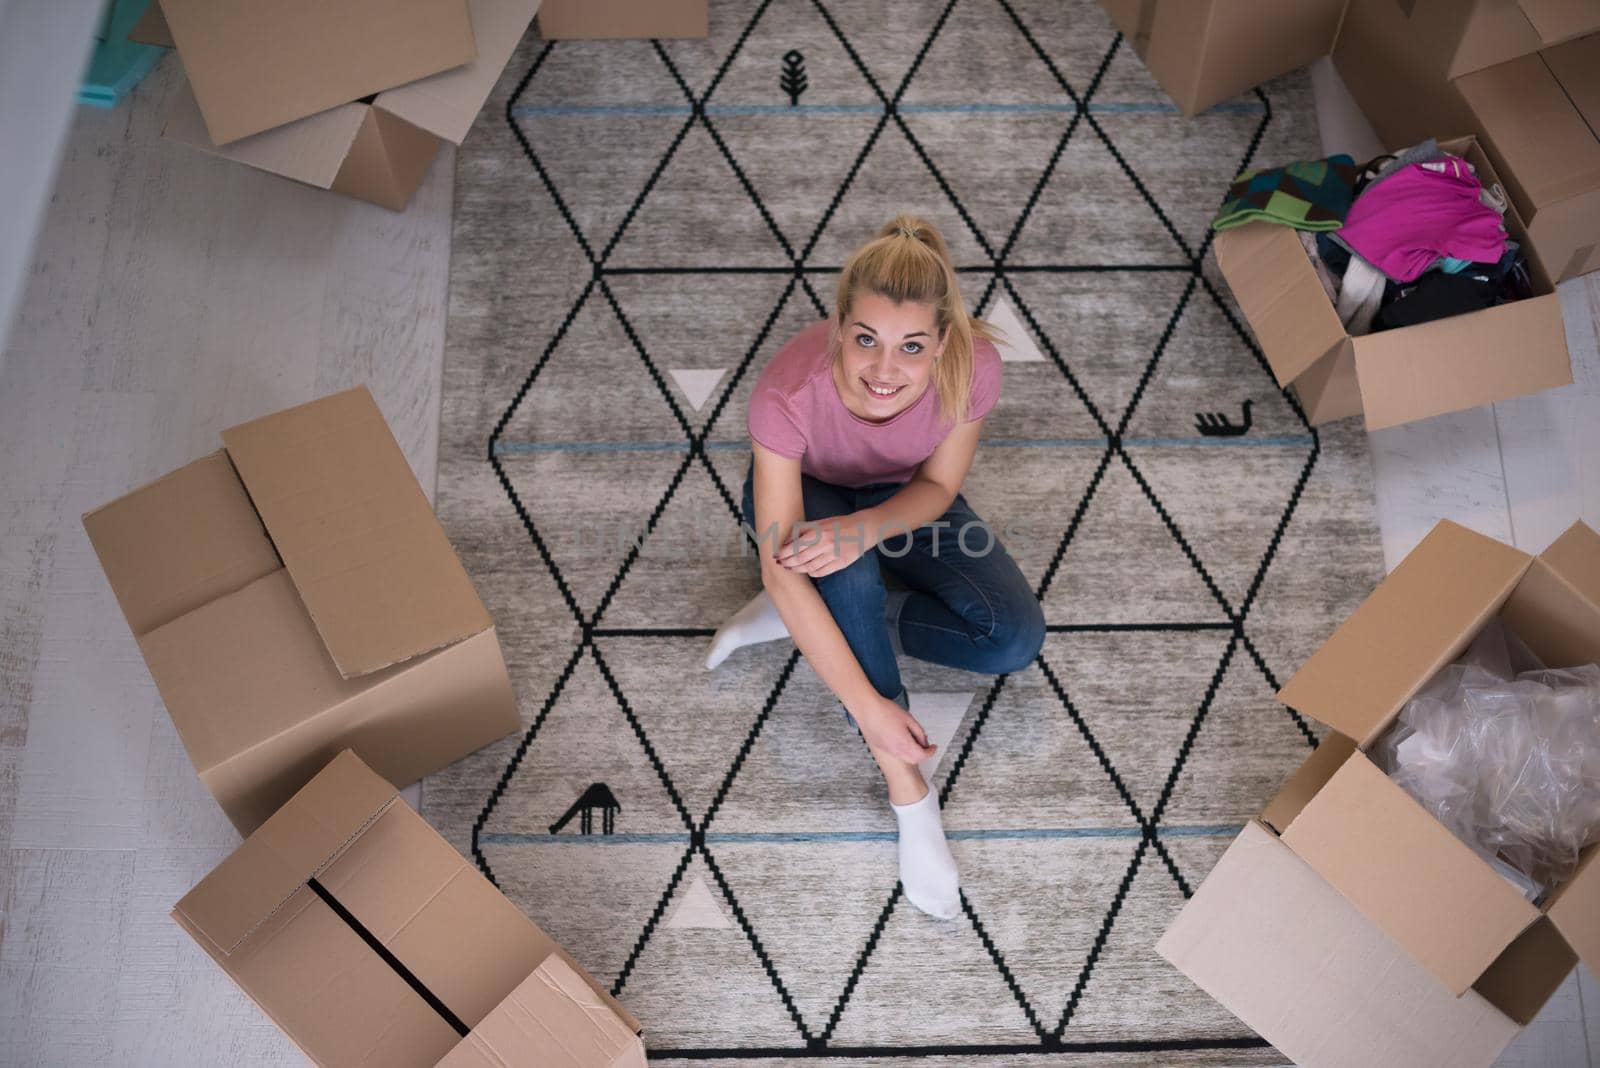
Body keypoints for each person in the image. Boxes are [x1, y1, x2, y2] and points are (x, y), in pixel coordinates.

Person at [705, 213, 1046, 920]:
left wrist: (862, 529)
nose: (885, 371)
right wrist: (873, 712)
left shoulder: (975, 367)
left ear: (942, 343)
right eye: (865, 339)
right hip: (809, 494)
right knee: (840, 579)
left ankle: (811, 621)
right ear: (838, 328)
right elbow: (778, 561)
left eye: (911, 346)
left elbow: (939, 488)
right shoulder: (784, 396)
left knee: (1012, 640)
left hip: (902, 498)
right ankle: (911, 796)